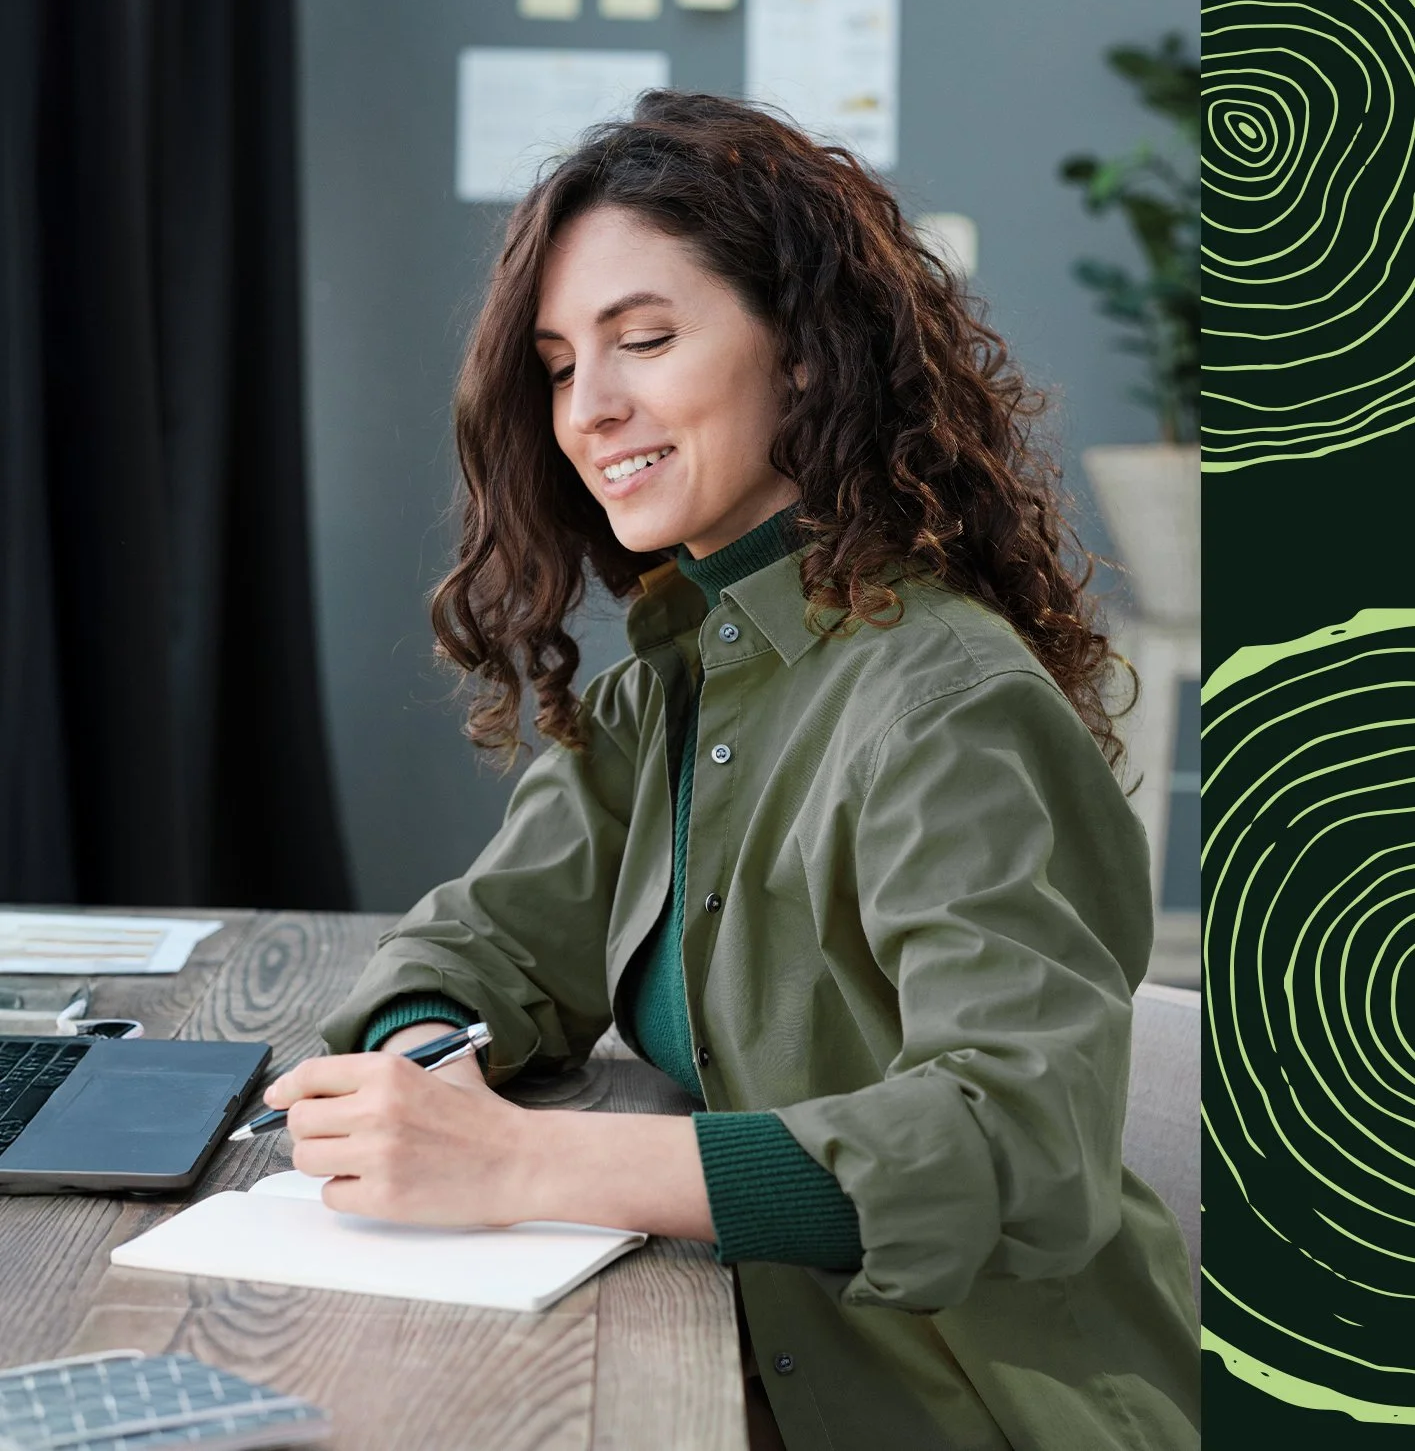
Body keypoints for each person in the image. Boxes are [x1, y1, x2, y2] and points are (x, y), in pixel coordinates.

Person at [266, 90, 1199, 1449]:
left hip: (988, 1410)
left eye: (645, 339)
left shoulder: (946, 704)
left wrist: (525, 1160)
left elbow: (1017, 1145)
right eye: (558, 363)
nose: (591, 409)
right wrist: (431, 1071)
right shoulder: (675, 675)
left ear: (806, 355)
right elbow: (485, 941)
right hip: (739, 1356)